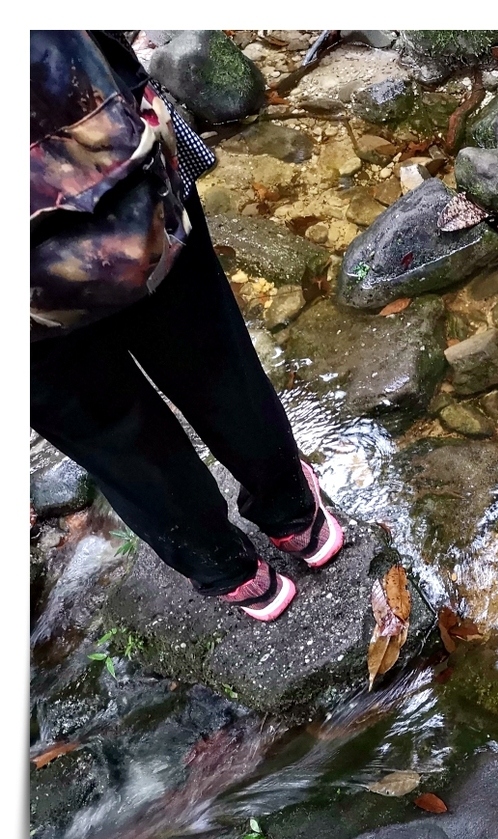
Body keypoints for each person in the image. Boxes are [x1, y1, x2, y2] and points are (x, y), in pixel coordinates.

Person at [30, 30, 341, 622]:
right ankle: (295, 519)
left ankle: (229, 571)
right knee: (208, 350)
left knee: (102, 426)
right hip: (105, 161)